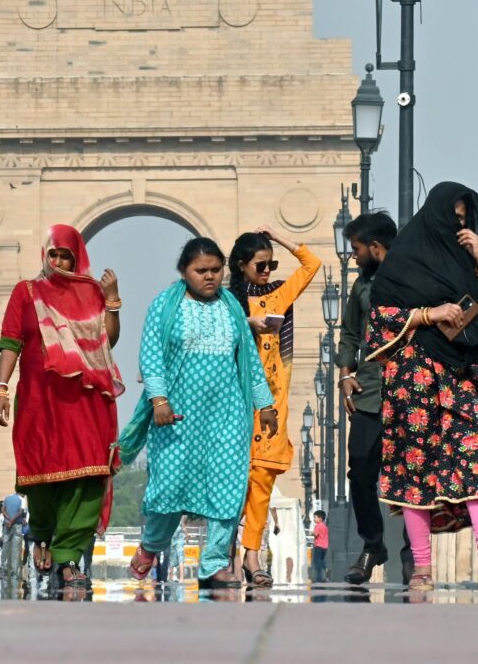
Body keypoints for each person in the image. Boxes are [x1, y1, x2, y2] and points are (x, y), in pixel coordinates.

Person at [367, 181, 478, 592]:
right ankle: (422, 568)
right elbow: (380, 317)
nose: (459, 225)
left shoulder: (469, 263)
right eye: (452, 217)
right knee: (417, 468)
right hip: (414, 380)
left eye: (466, 219)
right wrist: (429, 314)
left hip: (466, 375)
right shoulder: (403, 261)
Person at [119, 237, 278, 591]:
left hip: (227, 414)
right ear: (183, 272)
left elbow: (249, 359)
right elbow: (151, 356)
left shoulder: (232, 307)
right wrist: (159, 400)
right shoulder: (165, 305)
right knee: (169, 489)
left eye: (215, 270)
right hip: (176, 417)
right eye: (201, 271)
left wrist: (264, 404)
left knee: (228, 486)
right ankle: (151, 546)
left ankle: (215, 563)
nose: (210, 277)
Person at [0, 224, 124, 592]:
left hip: (85, 398)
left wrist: (111, 298)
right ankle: (45, 537)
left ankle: (67, 559)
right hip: (39, 401)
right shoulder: (27, 292)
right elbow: (10, 340)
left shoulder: (91, 293)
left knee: (86, 475)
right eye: (55, 254)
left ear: (78, 257)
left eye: (67, 254)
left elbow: (107, 339)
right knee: (43, 477)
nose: (60, 261)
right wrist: (1, 388)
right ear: (45, 255)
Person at [229, 225, 320, 589]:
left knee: (263, 481)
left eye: (271, 264)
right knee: (233, 482)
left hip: (272, 408)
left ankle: (251, 555)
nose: (267, 271)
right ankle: (225, 555)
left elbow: (311, 263)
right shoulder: (225, 304)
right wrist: (247, 326)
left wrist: (278, 236)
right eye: (259, 265)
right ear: (240, 266)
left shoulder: (280, 294)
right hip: (234, 406)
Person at [334, 210, 411, 585]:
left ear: (376, 248)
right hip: (367, 391)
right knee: (361, 469)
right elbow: (349, 332)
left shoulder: (414, 279)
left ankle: (413, 552)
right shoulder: (360, 285)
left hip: (410, 391)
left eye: (357, 249)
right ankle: (373, 544)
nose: (353, 256)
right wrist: (345, 374)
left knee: (412, 471)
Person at [0, 492, 25, 598]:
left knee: (5, 546)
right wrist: (13, 520)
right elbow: (21, 512)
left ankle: (3, 567)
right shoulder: (22, 499)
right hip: (17, 526)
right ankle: (14, 571)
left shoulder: (7, 497)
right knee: (15, 549)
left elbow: (3, 510)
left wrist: (9, 519)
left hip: (7, 525)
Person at [311, 510, 328, 581]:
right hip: (325, 546)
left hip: (318, 545)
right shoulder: (325, 526)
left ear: (320, 518)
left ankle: (319, 577)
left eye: (315, 517)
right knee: (322, 559)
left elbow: (315, 534)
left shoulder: (318, 526)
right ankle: (326, 568)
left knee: (317, 561)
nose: (314, 519)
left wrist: (311, 533)